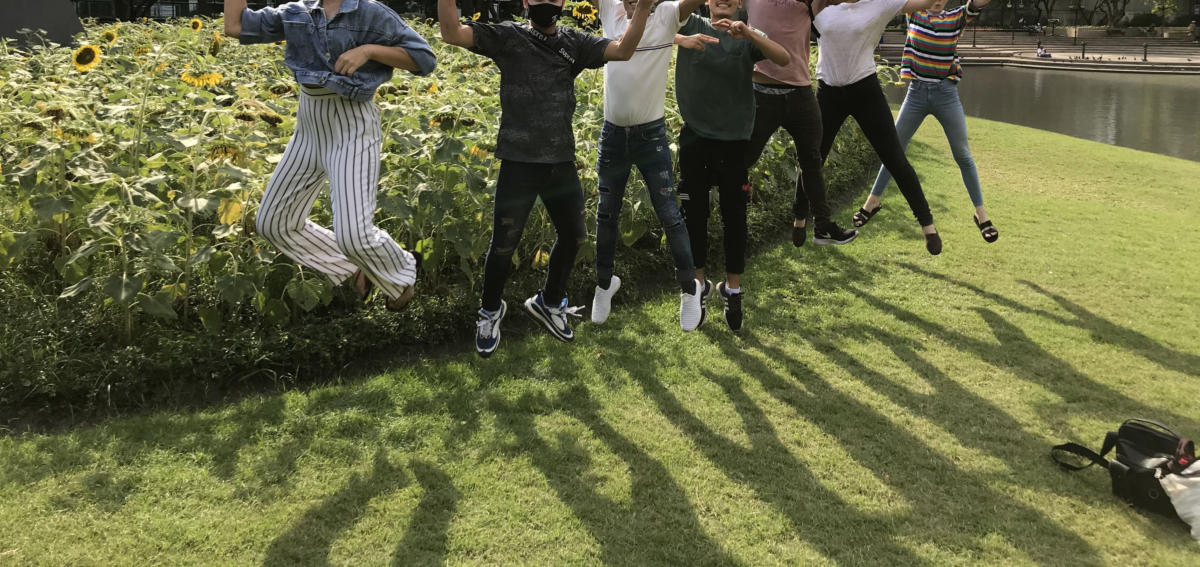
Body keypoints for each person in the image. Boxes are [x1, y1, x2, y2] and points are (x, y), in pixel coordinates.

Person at [438, 0, 654, 357]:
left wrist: (644, 8)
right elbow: (451, 33)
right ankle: (490, 312)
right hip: (519, 162)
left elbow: (624, 50)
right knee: (503, 246)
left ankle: (548, 301)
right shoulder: (508, 37)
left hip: (560, 162)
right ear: (525, 2)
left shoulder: (574, 43)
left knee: (574, 237)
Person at [224, 0, 436, 312]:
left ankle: (402, 269)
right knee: (273, 223)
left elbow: (424, 59)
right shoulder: (296, 12)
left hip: (352, 125)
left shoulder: (370, 12)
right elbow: (236, 26)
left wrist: (369, 51)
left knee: (355, 234)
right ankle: (358, 265)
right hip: (310, 126)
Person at [590, 0, 708, 330]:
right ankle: (604, 285)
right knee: (606, 213)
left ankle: (689, 290)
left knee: (670, 214)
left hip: (650, 137)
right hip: (612, 135)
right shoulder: (609, 9)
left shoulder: (669, 13)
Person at [674, 0, 791, 331]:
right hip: (695, 138)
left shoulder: (746, 36)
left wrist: (749, 33)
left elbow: (784, 58)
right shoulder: (691, 25)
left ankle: (733, 289)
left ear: (738, 3)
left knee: (734, 218)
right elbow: (657, 27)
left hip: (734, 143)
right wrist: (682, 38)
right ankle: (696, 288)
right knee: (693, 215)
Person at [812, 0, 944, 255]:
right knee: (812, 158)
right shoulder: (820, 4)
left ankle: (927, 225)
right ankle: (799, 220)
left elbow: (926, 2)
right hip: (827, 91)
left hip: (865, 91)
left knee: (895, 158)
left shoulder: (880, 3)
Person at [863, 0, 1000, 244]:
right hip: (916, 94)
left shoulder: (956, 18)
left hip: (946, 95)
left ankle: (981, 216)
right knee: (894, 150)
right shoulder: (914, 14)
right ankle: (873, 201)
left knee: (963, 155)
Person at [744, 0, 859, 250]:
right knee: (743, 158)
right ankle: (733, 223)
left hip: (801, 95)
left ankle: (822, 225)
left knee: (812, 161)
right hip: (761, 93)